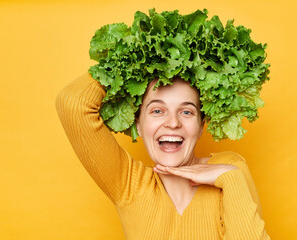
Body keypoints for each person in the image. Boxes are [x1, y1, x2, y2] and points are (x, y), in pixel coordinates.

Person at [56, 72, 271, 239]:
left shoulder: (229, 168)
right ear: (138, 125)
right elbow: (72, 103)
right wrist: (130, 60)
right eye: (157, 110)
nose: (173, 122)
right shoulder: (128, 183)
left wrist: (231, 178)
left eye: (186, 111)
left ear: (201, 126)